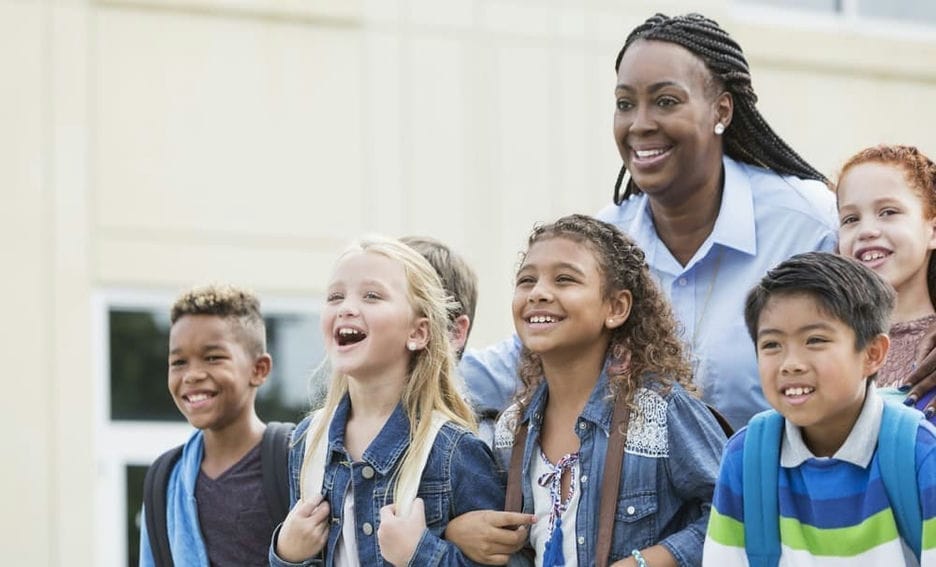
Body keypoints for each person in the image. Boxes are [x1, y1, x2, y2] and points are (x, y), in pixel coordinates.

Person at [460, 12, 838, 432]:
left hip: (775, 491)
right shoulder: (611, 236)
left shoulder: (807, 222)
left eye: (666, 101)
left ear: (722, 110)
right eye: (625, 104)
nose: (639, 124)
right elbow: (528, 358)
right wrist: (404, 367)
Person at [467, 215, 726, 566]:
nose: (539, 293)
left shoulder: (660, 410)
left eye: (565, 279)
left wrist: (649, 561)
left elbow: (734, 511)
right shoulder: (512, 428)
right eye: (526, 280)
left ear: (616, 308)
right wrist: (460, 531)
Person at [269, 236, 504, 567]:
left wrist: (418, 555)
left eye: (372, 296)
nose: (347, 307)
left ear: (418, 333)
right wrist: (287, 554)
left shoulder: (454, 451)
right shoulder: (308, 441)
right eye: (335, 296)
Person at [704, 252, 936, 565]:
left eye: (814, 340)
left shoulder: (917, 452)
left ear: (872, 353)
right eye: (772, 344)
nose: (791, 364)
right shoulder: (746, 457)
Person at [139, 284, 286, 566]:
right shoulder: (164, 480)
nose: (192, 375)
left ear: (259, 369)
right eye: (179, 362)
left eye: (213, 357)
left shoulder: (293, 462)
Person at [836, 144, 936, 422]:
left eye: (888, 212)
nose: (867, 231)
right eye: (851, 219)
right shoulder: (829, 340)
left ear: (933, 230)